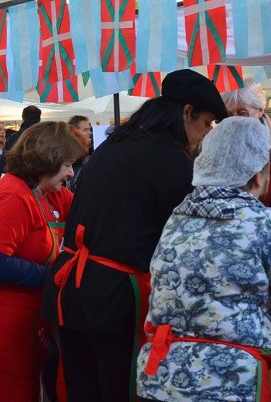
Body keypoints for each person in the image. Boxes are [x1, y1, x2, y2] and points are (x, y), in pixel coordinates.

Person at [41, 69, 228, 402]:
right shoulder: (171, 159)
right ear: (186, 113)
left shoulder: (115, 145)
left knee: (83, 388)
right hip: (114, 297)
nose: (205, 134)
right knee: (120, 389)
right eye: (205, 123)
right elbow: (185, 241)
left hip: (72, 291)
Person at [135, 117, 271, 401]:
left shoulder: (178, 216)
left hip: (160, 378)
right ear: (256, 176)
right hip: (228, 383)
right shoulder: (262, 220)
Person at [0, 122, 87, 402]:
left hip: (19, 318)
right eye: (67, 164)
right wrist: (53, 275)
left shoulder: (53, 194)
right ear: (47, 160)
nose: (71, 172)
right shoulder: (12, 195)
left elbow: (87, 212)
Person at [220, 78, 271, 220]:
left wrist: (252, 227)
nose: (235, 121)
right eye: (229, 115)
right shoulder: (221, 142)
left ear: (260, 110)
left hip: (267, 233)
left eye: (242, 113)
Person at [0, 105, 42, 184]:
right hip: (40, 181)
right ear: (39, 119)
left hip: (18, 182)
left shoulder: (13, 138)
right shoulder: (44, 137)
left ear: (23, 119)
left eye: (3, 129)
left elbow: (3, 162)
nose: (3, 132)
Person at [66, 115, 93, 192]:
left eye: (89, 129)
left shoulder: (85, 153)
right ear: (74, 132)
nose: (90, 132)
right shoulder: (75, 155)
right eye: (85, 130)